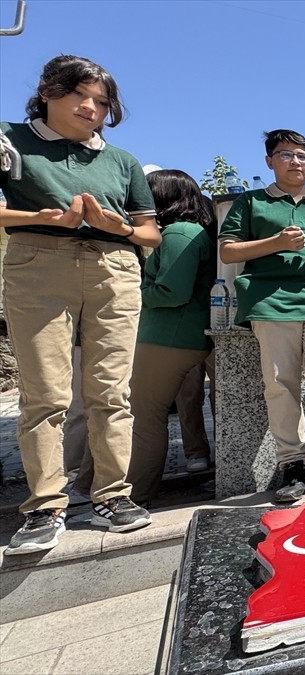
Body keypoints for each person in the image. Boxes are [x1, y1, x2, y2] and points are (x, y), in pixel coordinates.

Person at [2, 55, 158, 554]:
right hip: (38, 259)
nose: (91, 108)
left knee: (112, 390)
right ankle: (45, 504)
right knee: (46, 391)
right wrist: (40, 215)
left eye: (102, 102)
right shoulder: (9, 139)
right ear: (48, 89)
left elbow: (150, 233)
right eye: (80, 95)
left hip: (116, 265)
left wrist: (122, 229)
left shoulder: (123, 161)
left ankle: (113, 494)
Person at [219, 129, 305, 503]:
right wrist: (277, 243)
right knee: (280, 383)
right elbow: (229, 252)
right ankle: (292, 463)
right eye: (285, 154)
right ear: (269, 161)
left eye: (301, 156)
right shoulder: (250, 203)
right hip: (270, 302)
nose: (294, 161)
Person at [126, 170, 217, 506]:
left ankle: (136, 495)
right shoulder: (193, 230)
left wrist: (132, 291)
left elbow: (172, 292)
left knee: (144, 417)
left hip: (169, 336)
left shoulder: (180, 232)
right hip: (181, 335)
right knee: (147, 416)